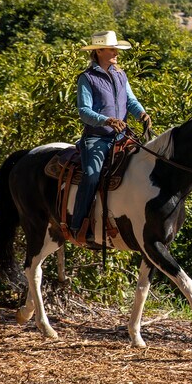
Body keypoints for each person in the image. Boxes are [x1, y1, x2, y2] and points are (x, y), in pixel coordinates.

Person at [66, 30, 151, 245]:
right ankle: (78, 226)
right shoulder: (87, 78)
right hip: (97, 138)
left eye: (116, 49)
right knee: (91, 175)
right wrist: (107, 120)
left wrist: (141, 113)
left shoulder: (121, 75)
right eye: (112, 49)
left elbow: (130, 101)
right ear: (99, 51)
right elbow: (84, 111)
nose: (116, 53)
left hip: (122, 137)